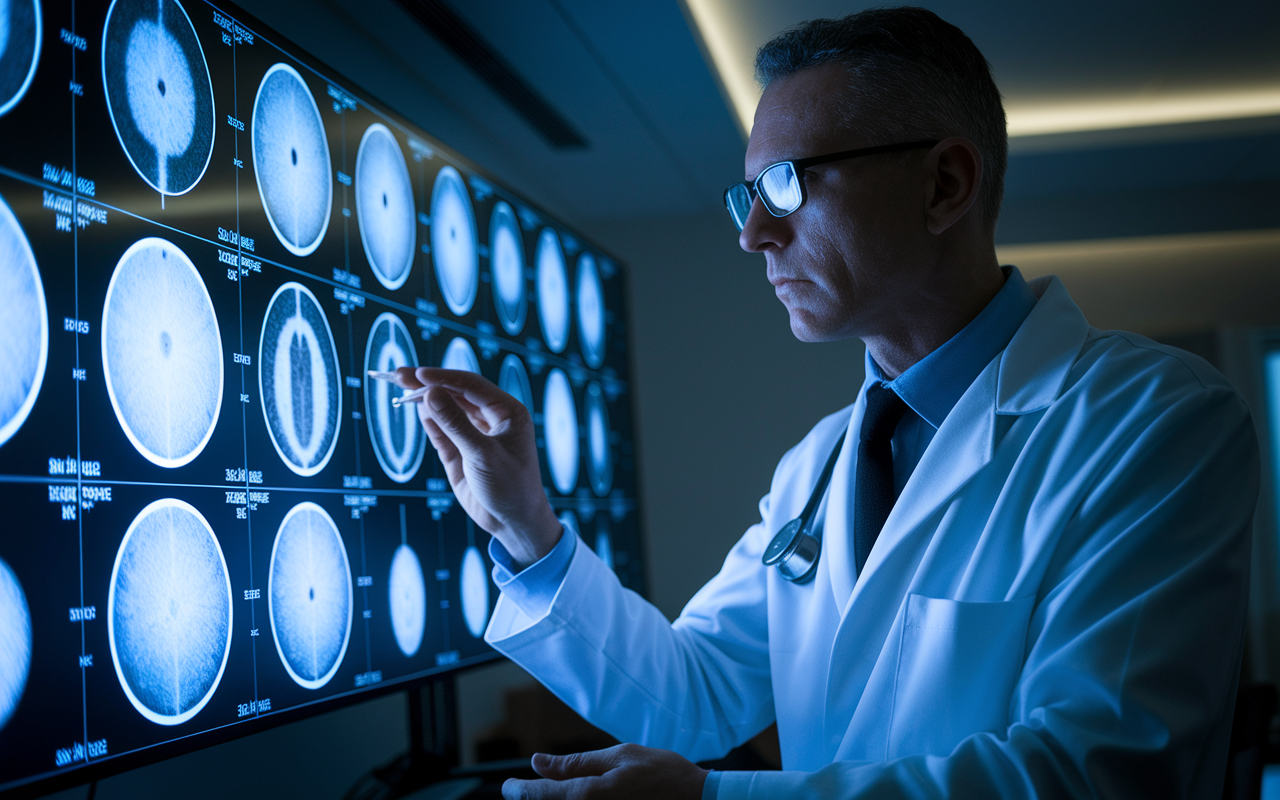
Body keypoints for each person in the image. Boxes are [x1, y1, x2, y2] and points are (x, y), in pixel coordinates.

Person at [386, 8, 1259, 798]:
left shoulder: (1154, 420)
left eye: (787, 186)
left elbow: (1093, 774)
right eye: (747, 194)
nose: (752, 234)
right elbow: (693, 698)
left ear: (946, 185)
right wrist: (526, 529)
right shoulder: (818, 465)